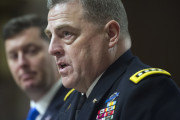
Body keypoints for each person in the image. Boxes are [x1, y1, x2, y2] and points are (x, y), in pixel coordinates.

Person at [45, 0, 180, 120]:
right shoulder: (70, 102)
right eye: (50, 36)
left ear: (111, 34)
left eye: (66, 33)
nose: (52, 49)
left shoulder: (147, 91)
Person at [2, 14, 70, 120]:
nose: (21, 63)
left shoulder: (75, 105)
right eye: (14, 56)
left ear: (53, 49)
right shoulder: (36, 113)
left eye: (31, 51)